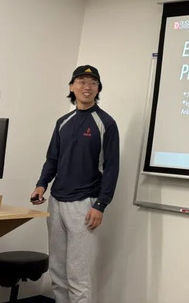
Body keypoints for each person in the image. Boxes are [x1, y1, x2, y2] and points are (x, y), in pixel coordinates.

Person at [31, 65, 120, 303]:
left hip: (84, 204)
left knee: (77, 275)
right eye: (81, 82)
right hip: (56, 201)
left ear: (98, 88)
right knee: (57, 271)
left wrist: (101, 204)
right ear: (72, 87)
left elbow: (112, 167)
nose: (87, 87)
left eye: (92, 82)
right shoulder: (63, 121)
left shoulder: (106, 123)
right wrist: (41, 184)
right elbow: (53, 158)